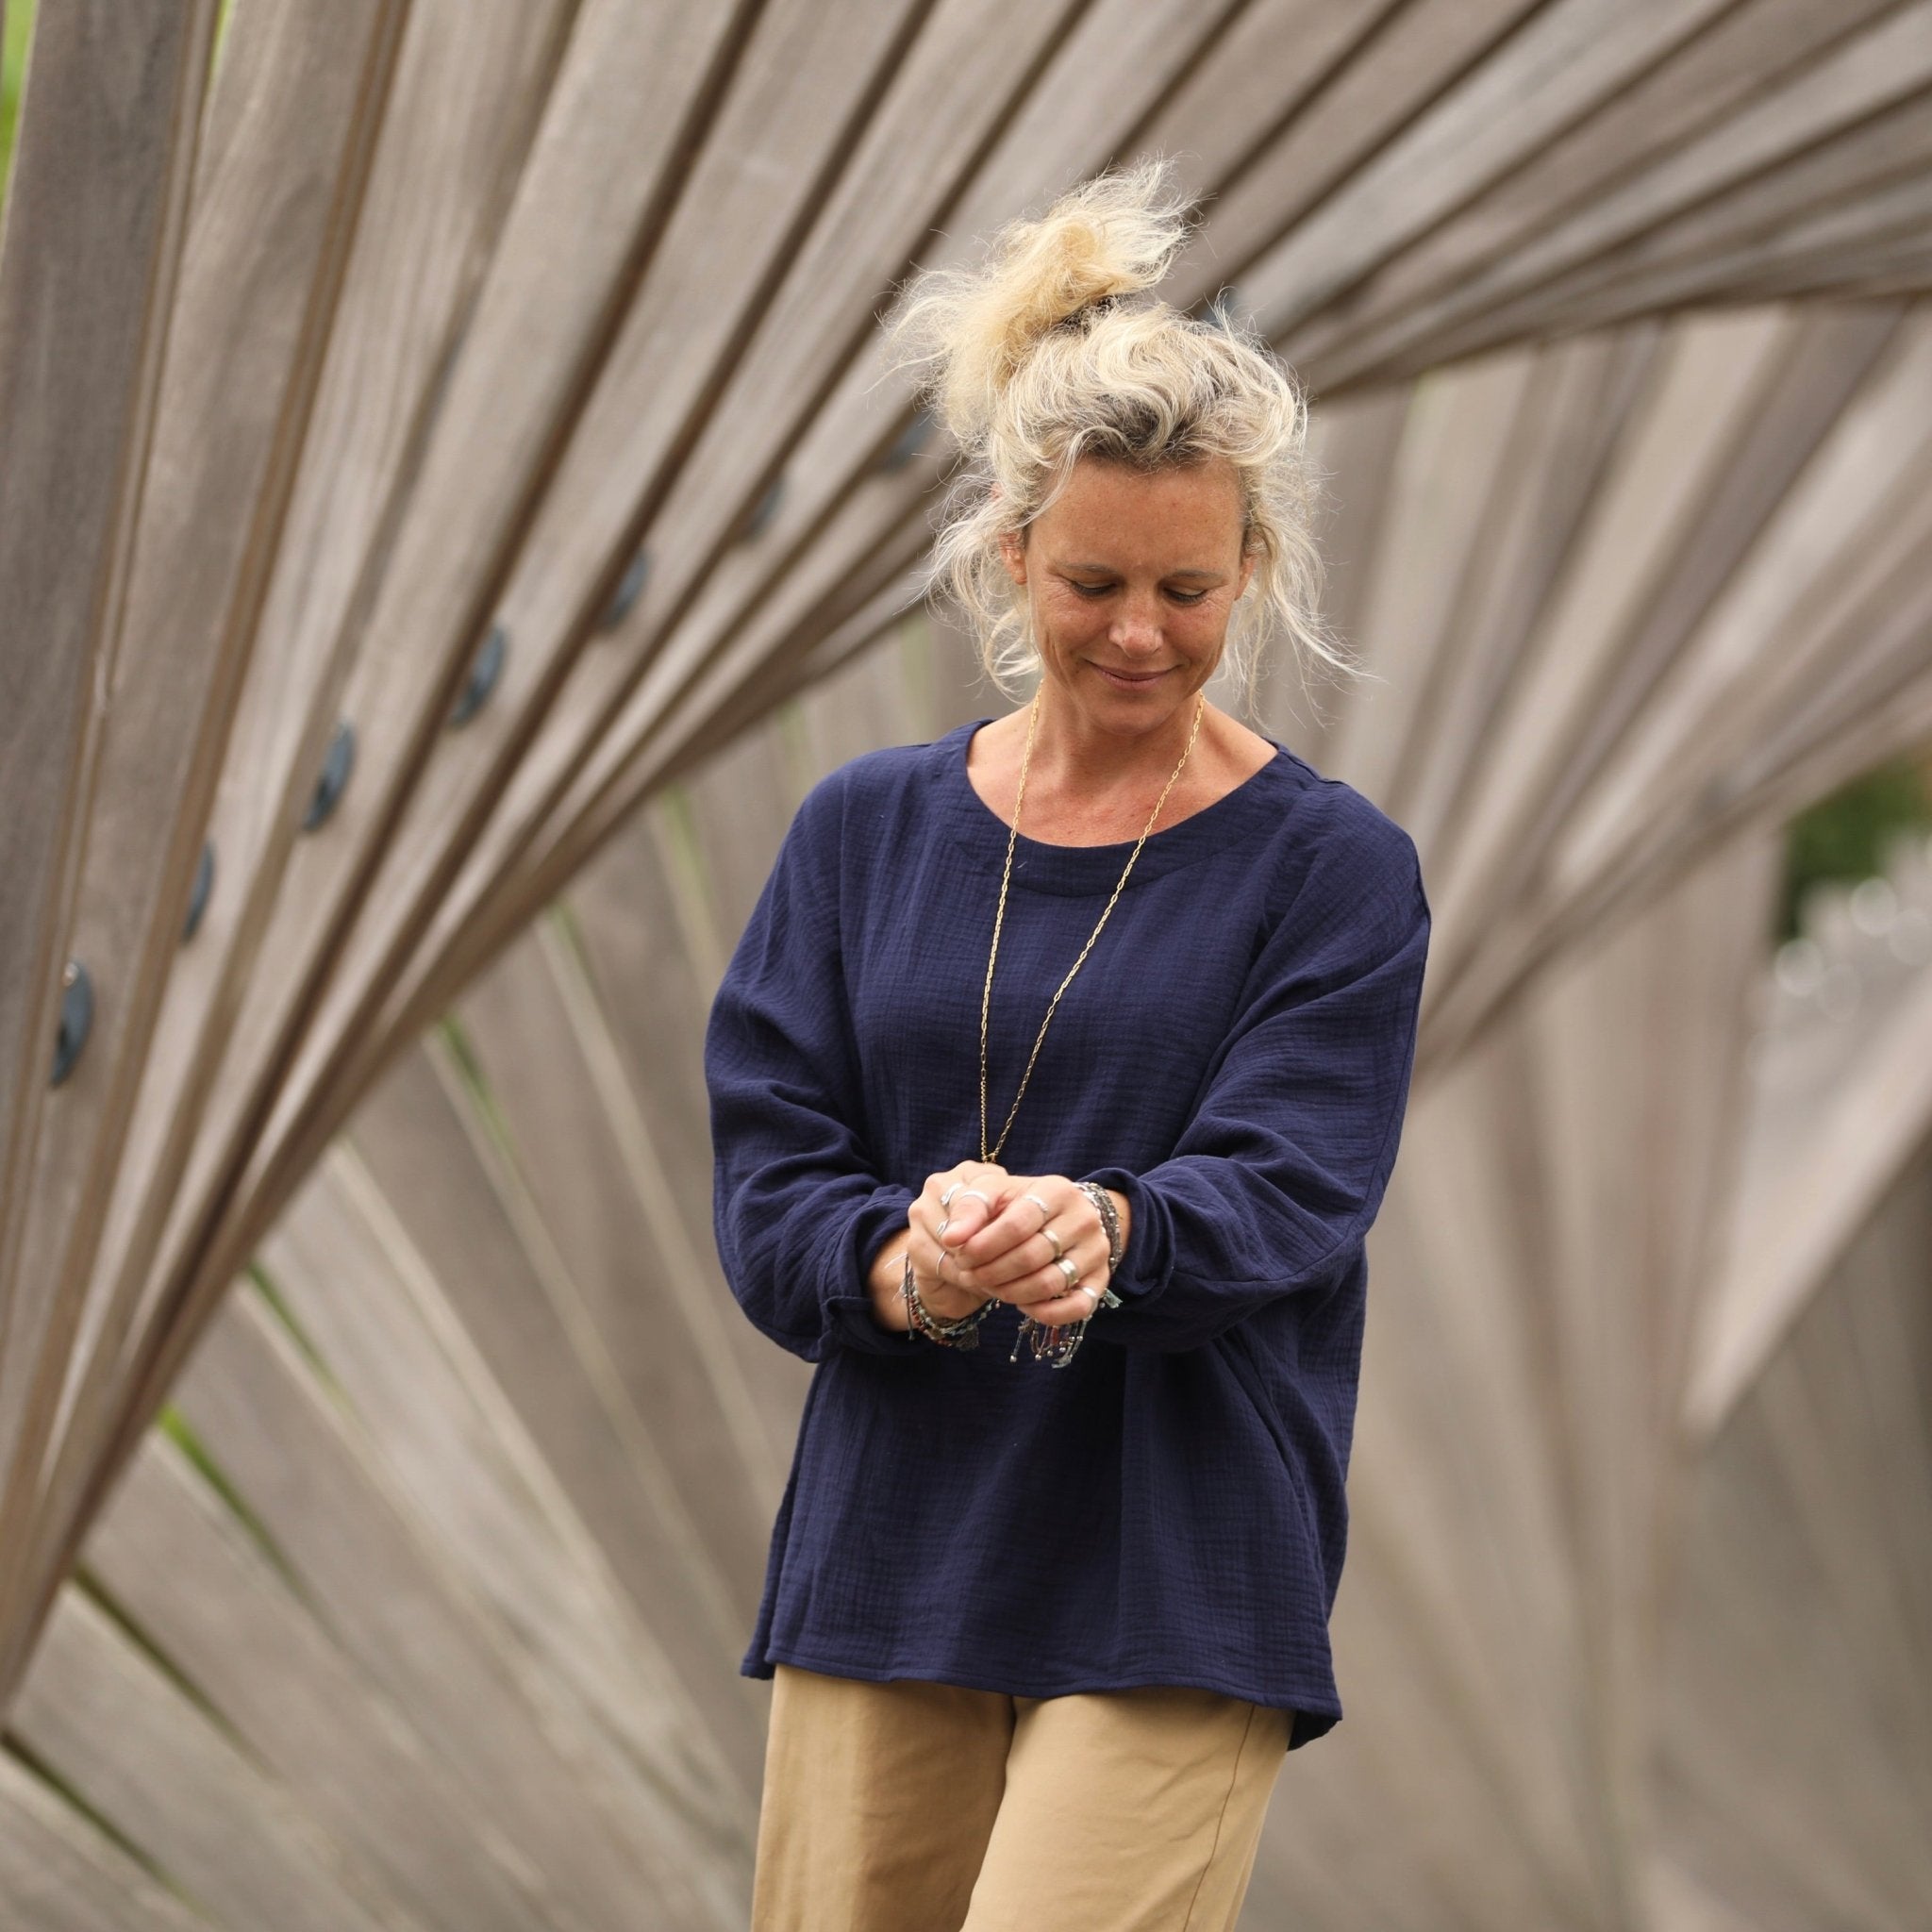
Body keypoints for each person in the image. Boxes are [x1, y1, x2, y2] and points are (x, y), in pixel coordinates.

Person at [704, 156, 1431, 1931]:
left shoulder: (1334, 870)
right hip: (890, 1545)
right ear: (1008, 551)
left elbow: (1292, 1185)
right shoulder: (863, 832)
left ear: (1254, 566)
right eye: (1094, 579)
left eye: (1188, 589)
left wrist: (1104, 1228)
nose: (1139, 634)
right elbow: (772, 1167)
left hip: (1180, 1557)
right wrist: (910, 1269)